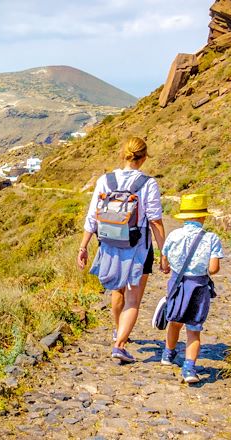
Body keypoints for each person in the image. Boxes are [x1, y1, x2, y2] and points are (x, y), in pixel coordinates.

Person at [77, 137, 166, 364]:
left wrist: (83, 246)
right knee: (133, 300)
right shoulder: (148, 183)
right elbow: (155, 221)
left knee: (117, 292)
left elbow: (92, 217)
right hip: (138, 247)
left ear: (123, 154)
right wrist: (164, 252)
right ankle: (120, 345)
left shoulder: (105, 180)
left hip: (109, 244)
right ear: (144, 157)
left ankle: (118, 331)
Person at [159, 193, 224, 383]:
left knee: (175, 321)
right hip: (198, 287)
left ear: (184, 217)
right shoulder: (211, 238)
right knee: (193, 329)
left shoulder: (174, 235)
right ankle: (189, 369)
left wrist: (168, 265)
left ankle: (167, 355)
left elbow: (163, 262)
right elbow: (213, 269)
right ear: (203, 216)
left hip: (177, 284)